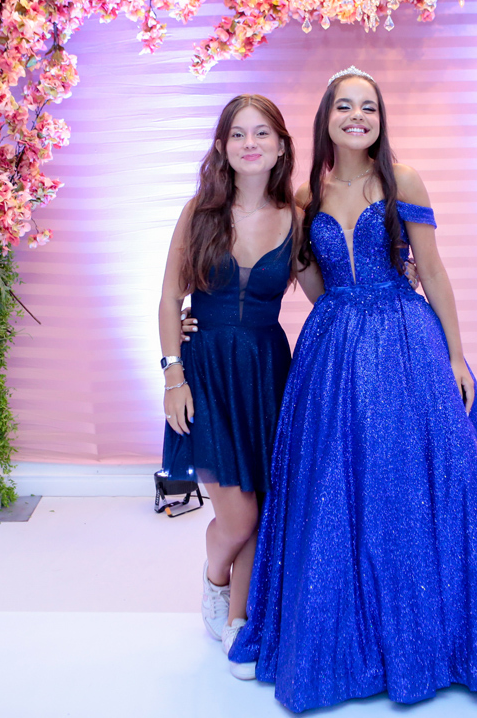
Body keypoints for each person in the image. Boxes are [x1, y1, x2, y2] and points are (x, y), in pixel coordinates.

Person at [228, 67, 477, 711]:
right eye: (344, 106)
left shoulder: (403, 180)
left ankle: (440, 641)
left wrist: (455, 356)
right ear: (325, 118)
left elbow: (433, 271)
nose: (357, 117)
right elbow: (310, 280)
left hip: (407, 341)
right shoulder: (307, 197)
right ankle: (346, 639)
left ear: (380, 119)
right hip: (334, 349)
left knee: (414, 482)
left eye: (368, 107)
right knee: (338, 486)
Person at [158, 94, 322, 658]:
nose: (250, 144)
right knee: (238, 514)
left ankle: (239, 621)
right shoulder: (199, 212)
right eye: (238, 134)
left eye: (262, 133)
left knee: (264, 503)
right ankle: (215, 578)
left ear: (281, 146)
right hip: (205, 373)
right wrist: (173, 377)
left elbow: (328, 299)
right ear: (223, 147)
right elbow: (169, 298)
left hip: (266, 373)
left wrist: (395, 280)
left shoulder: (296, 221)